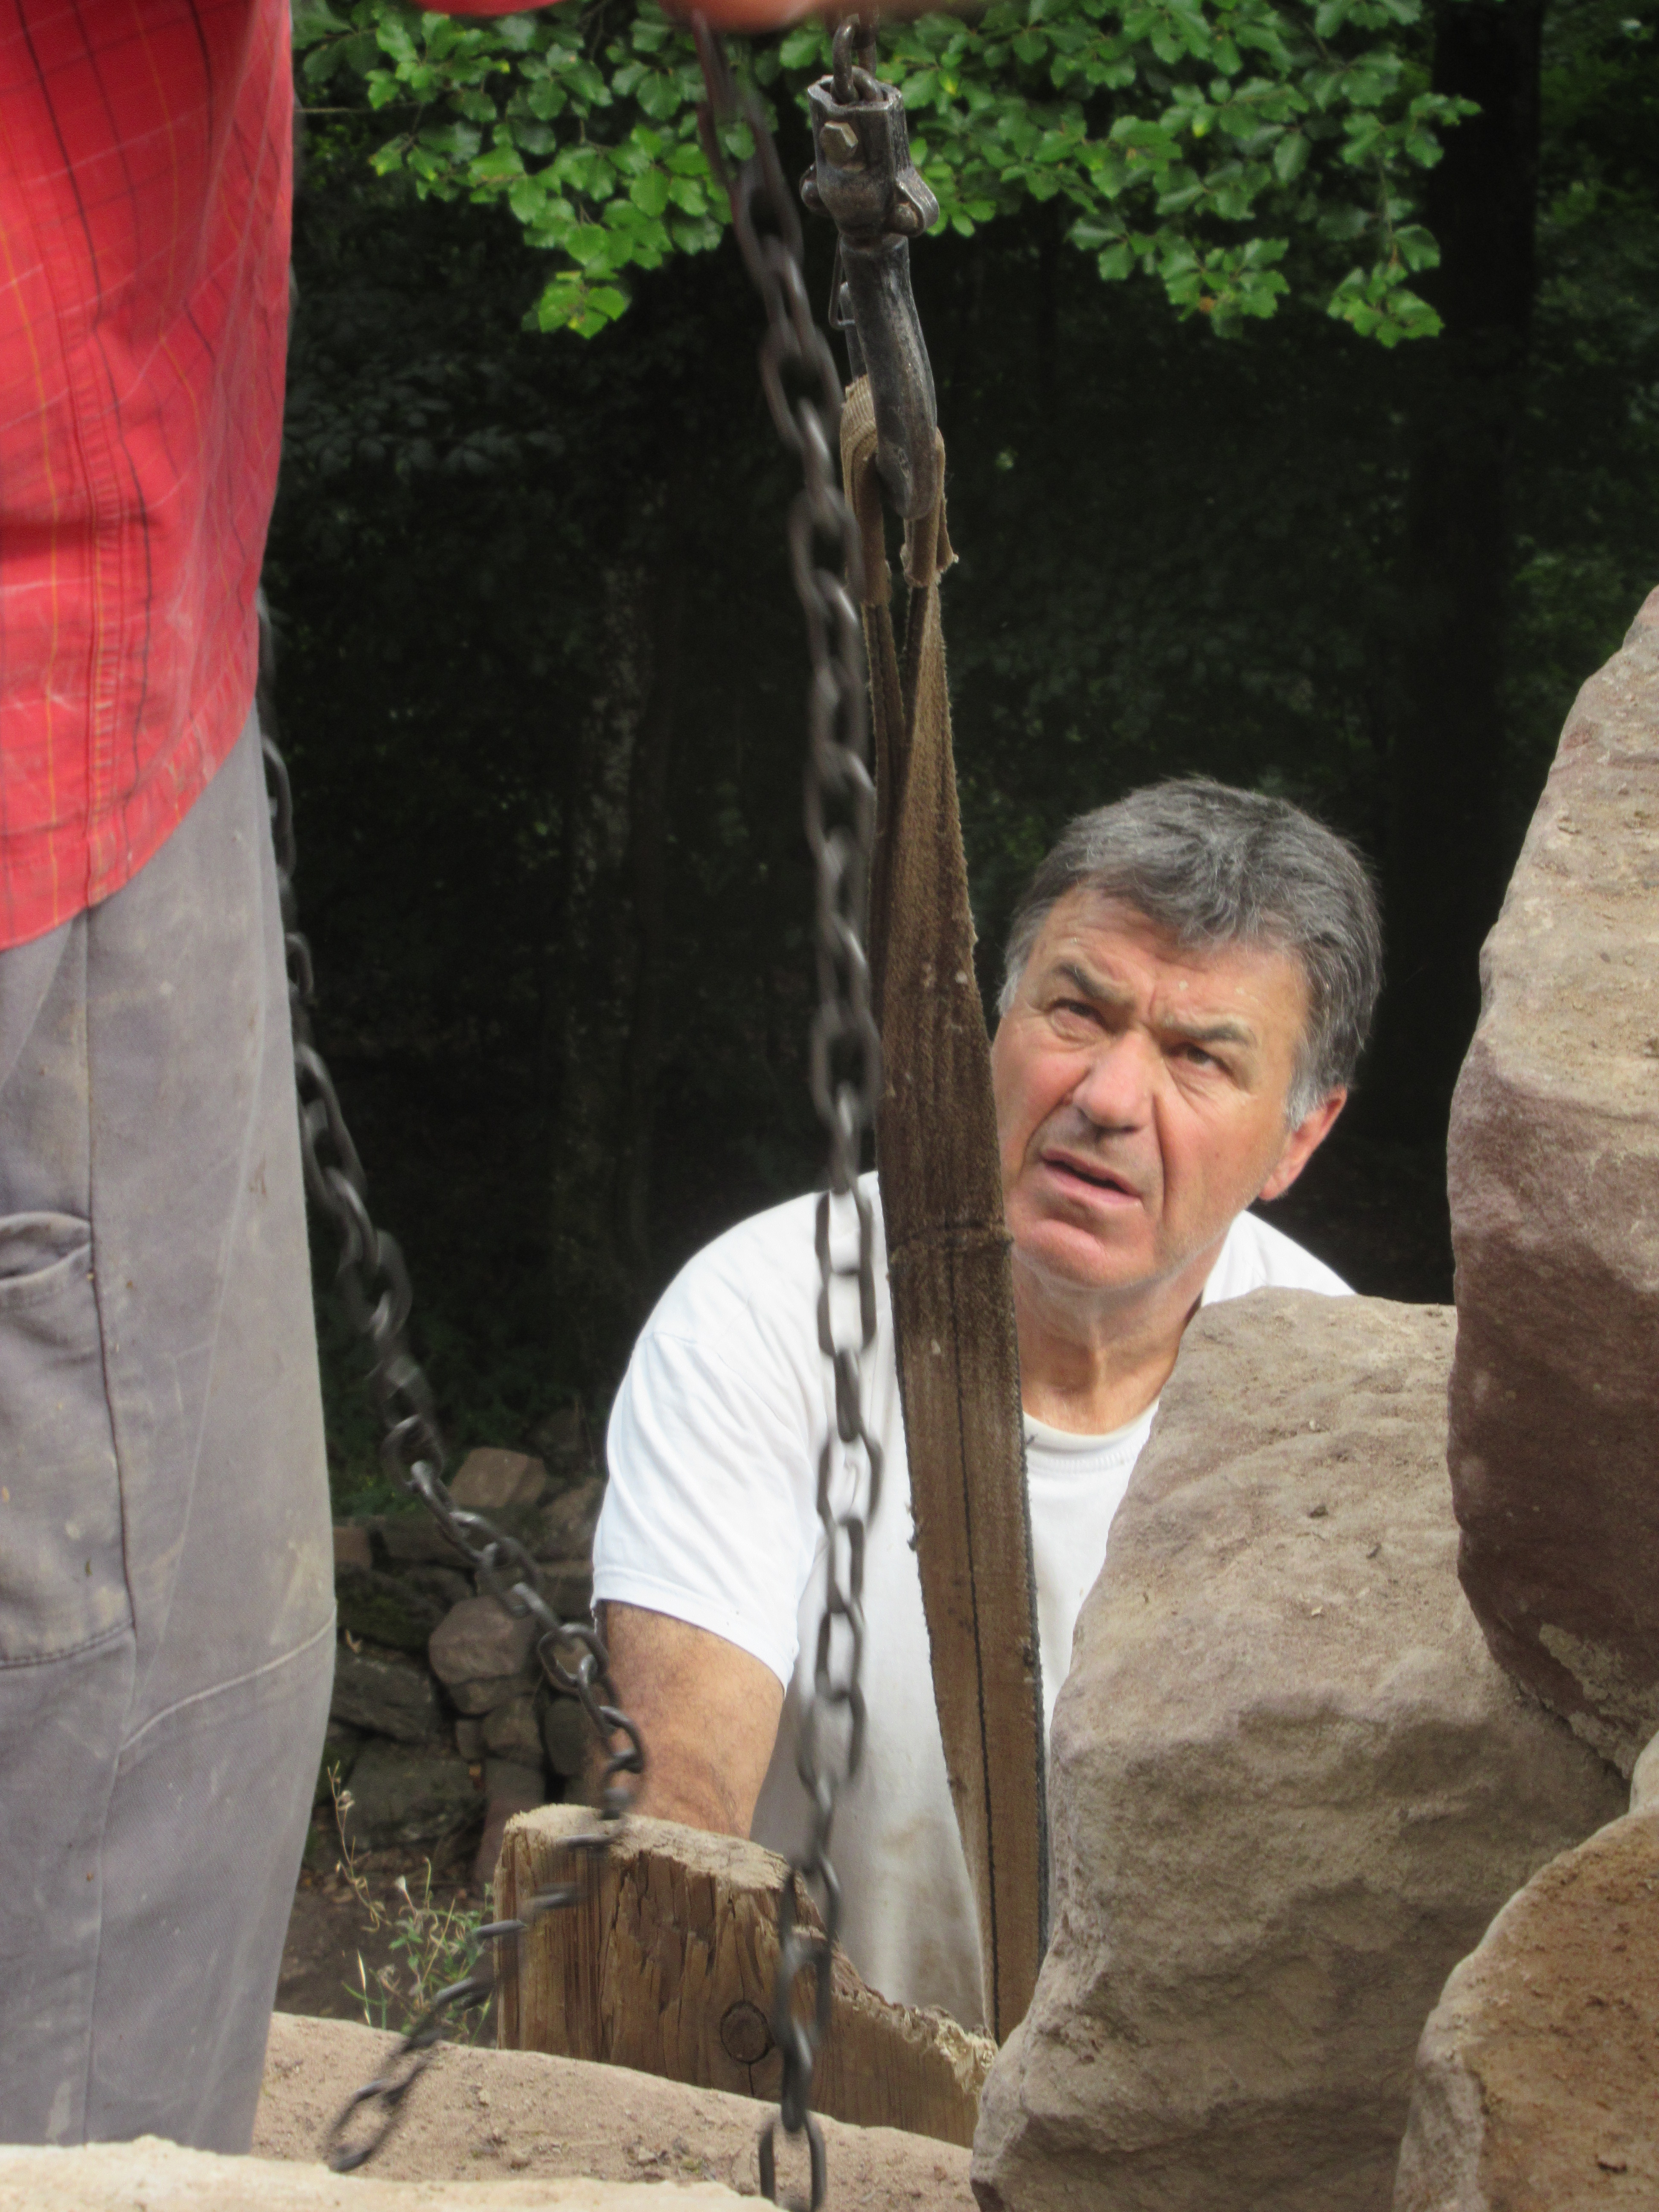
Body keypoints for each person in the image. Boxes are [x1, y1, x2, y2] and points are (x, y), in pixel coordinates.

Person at [0, 0, 805, 2154]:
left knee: (170, 1692)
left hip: (118, 609)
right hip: (44, 675)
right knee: (137, 1733)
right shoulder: (764, 1321)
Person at [592, 778, 1383, 2032]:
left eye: (1198, 1057)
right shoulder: (766, 1315)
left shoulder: (1340, 1407)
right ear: (989, 1024)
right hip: (786, 2084)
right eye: (1078, 1011)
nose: (1110, 1098)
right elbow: (679, 1806)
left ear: (1300, 1138)